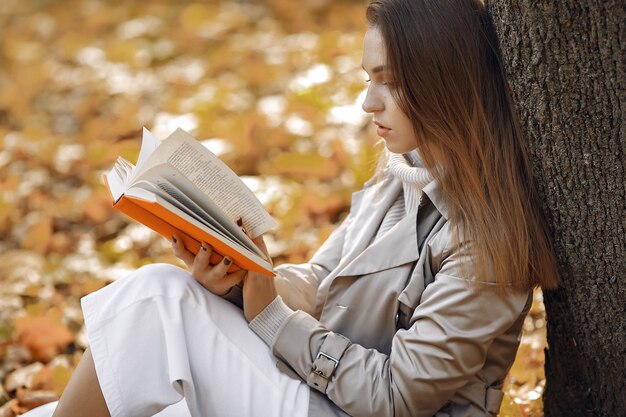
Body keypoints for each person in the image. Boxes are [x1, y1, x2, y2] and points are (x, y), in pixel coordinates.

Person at [24, 0, 559, 416]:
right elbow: (322, 281)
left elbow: (398, 398)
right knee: (133, 386)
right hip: (315, 391)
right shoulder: (401, 173)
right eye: (367, 79)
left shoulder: (485, 239)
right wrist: (244, 278)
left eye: (389, 82)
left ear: (444, 83)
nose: (368, 103)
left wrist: (273, 318)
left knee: (156, 298)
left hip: (351, 407)